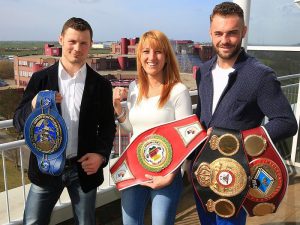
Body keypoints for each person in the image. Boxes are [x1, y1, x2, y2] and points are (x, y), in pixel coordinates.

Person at [185, 2, 298, 225]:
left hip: (235, 176)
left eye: (232, 33)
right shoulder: (204, 71)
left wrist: (238, 140)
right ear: (210, 32)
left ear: (243, 32)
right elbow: (203, 117)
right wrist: (190, 159)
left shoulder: (260, 75)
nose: (224, 40)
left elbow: (286, 122)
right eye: (218, 33)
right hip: (203, 172)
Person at [13, 17, 116, 225]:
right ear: (61, 40)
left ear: (90, 45)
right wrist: (34, 104)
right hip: (46, 168)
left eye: (83, 43)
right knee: (32, 222)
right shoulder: (40, 79)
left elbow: (107, 126)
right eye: (72, 41)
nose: (77, 48)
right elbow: (18, 121)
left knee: (85, 222)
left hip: (83, 169)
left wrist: (101, 154)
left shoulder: (101, 85)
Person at [113, 30, 192, 225]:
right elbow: (131, 128)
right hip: (135, 170)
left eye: (158, 51)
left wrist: (170, 176)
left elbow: (187, 138)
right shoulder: (134, 87)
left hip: (166, 173)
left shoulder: (178, 91)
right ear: (139, 57)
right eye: (146, 51)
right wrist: (117, 108)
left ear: (166, 56)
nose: (151, 57)